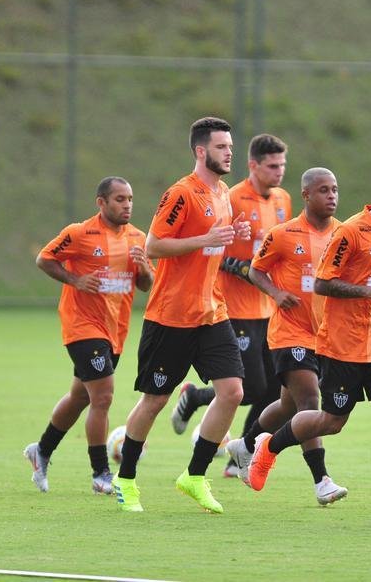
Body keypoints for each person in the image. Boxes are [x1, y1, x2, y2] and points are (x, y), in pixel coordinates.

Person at [245, 160, 371, 528]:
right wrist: (368, 292)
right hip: (343, 346)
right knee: (332, 421)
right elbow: (323, 283)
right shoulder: (350, 233)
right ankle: (269, 445)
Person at [111, 117, 252, 514]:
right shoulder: (181, 193)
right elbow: (154, 245)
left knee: (233, 391)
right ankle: (126, 479)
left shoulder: (222, 193)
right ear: (201, 151)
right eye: (222, 147)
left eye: (231, 146)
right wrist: (207, 238)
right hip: (171, 316)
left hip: (212, 311)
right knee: (155, 400)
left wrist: (231, 234)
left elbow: (210, 246)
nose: (229, 153)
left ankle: (194, 475)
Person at [222, 166, 348, 505]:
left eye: (335, 190)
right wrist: (276, 294)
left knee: (287, 405)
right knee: (310, 401)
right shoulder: (283, 234)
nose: (331, 196)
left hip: (324, 335)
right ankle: (322, 481)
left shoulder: (343, 234)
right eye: (323, 190)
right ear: (306, 195)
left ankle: (245, 444)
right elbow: (255, 270)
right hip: (289, 333)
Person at [170, 134, 292, 480]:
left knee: (273, 389)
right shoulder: (233, 197)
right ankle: (195, 397)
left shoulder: (283, 199)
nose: (279, 172)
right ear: (253, 165)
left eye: (282, 165)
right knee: (249, 388)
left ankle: (240, 456)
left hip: (270, 309)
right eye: (272, 166)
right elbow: (214, 250)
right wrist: (247, 270)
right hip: (234, 308)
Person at [25, 177, 154, 495]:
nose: (127, 205)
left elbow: (145, 285)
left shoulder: (138, 238)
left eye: (130, 199)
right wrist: (76, 280)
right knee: (103, 396)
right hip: (82, 325)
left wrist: (145, 270)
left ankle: (41, 450)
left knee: (80, 397)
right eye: (119, 199)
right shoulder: (79, 233)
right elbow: (45, 259)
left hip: (115, 330)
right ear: (101, 202)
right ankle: (101, 473)